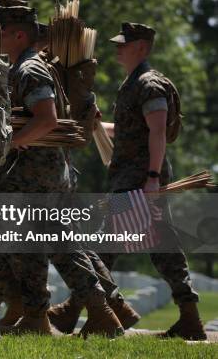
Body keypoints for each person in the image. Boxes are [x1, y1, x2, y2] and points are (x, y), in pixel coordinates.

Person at [0, 0, 123, 337]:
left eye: (1, 33)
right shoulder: (21, 65)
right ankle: (98, 315)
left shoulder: (29, 69)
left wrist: (9, 143)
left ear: (19, 35)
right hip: (38, 173)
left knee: (29, 245)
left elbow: (47, 119)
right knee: (61, 246)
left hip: (33, 176)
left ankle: (40, 317)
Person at [98, 22, 206, 340]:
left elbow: (158, 132)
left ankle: (92, 311)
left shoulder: (149, 84)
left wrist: (153, 178)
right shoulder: (133, 83)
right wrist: (96, 124)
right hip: (132, 178)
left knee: (102, 247)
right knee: (160, 247)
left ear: (142, 47)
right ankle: (189, 317)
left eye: (125, 43)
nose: (118, 47)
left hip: (141, 180)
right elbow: (133, 132)